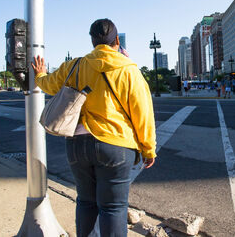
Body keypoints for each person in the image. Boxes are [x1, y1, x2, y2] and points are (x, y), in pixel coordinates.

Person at [31, 18, 156, 237]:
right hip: (115, 146)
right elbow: (142, 113)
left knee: (86, 202)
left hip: (77, 145)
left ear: (92, 41)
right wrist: (148, 149)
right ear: (117, 40)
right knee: (113, 207)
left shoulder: (75, 65)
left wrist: (40, 74)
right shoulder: (129, 70)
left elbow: (49, 85)